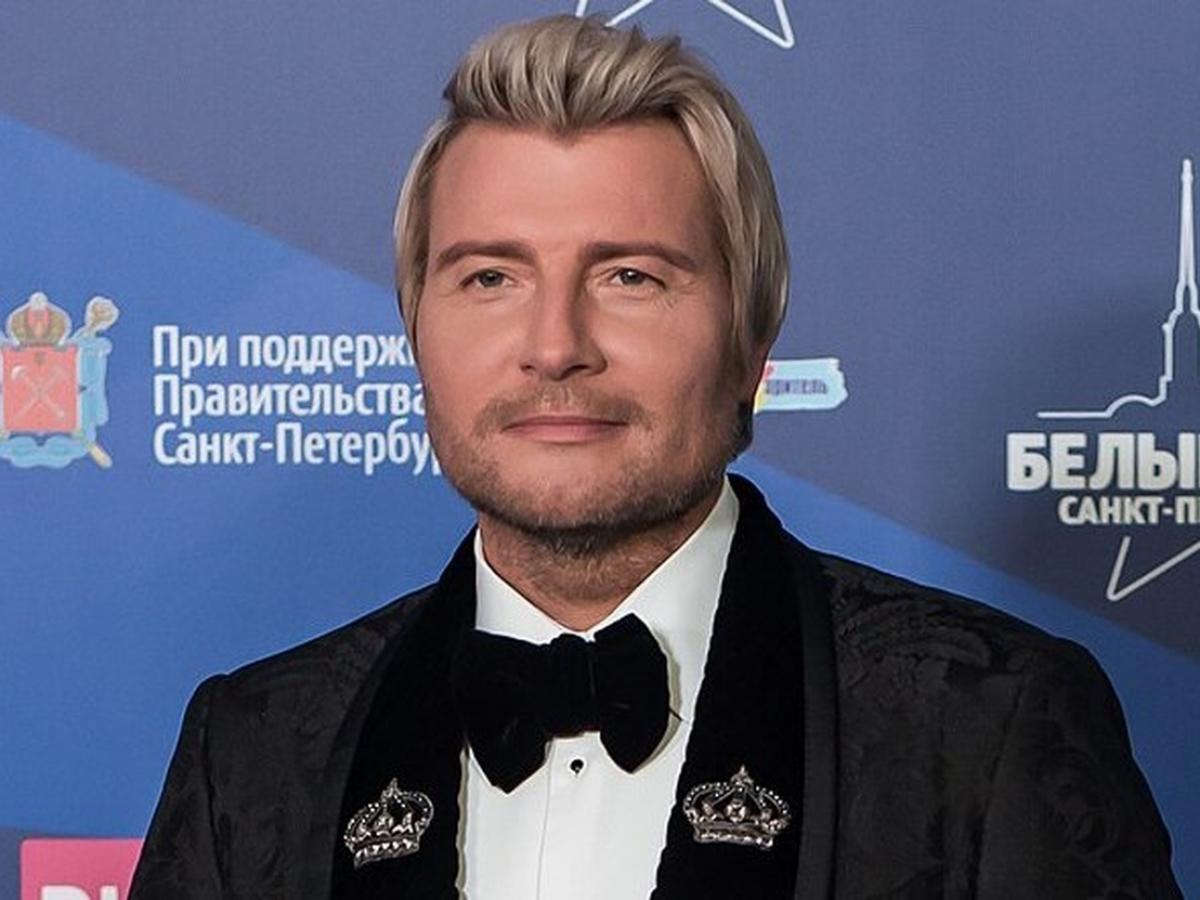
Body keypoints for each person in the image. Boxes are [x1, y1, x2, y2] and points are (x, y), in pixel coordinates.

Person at [129, 14, 1181, 899]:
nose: (555, 345)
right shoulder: (252, 753)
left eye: (630, 276)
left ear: (752, 341)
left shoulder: (986, 724)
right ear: (417, 331)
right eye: (490, 278)